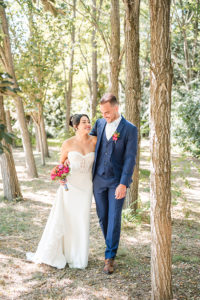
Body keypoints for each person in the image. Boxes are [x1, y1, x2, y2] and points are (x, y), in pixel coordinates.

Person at [26, 114, 97, 269]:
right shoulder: (68, 143)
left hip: (86, 186)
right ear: (76, 126)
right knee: (69, 219)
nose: (88, 124)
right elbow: (61, 165)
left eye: (89, 121)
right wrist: (60, 177)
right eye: (84, 122)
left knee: (82, 220)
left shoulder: (94, 141)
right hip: (70, 186)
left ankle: (79, 257)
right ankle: (65, 253)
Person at [90, 93, 138, 274]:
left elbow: (130, 158)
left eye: (108, 112)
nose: (104, 115)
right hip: (98, 180)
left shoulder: (130, 129)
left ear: (117, 108)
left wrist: (123, 183)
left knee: (114, 217)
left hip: (117, 181)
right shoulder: (99, 123)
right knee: (103, 217)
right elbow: (89, 144)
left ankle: (110, 257)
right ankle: (110, 243)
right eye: (102, 112)